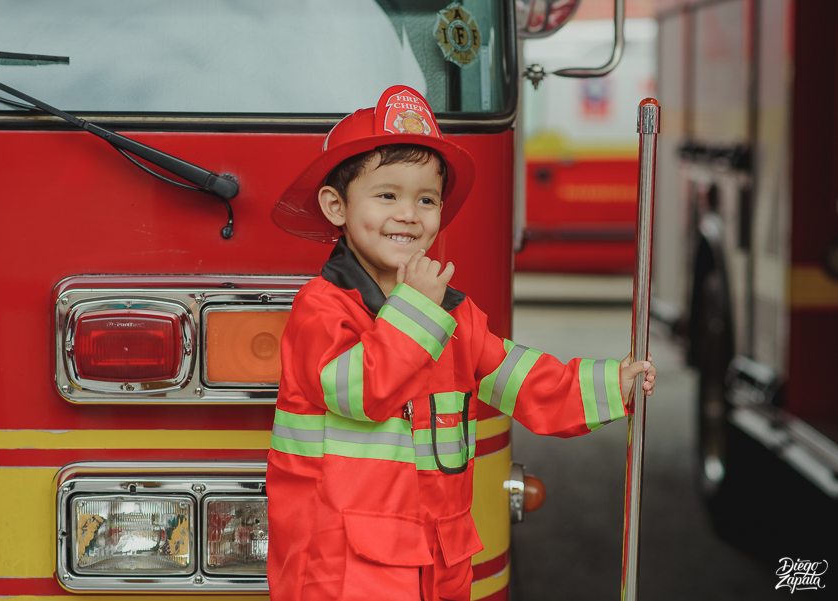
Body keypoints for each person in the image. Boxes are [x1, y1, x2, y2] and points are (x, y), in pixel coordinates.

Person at [266, 85, 656, 601]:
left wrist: (613, 384)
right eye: (387, 195)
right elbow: (362, 393)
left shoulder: (451, 314)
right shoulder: (323, 309)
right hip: (342, 569)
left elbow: (527, 382)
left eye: (426, 199)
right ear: (336, 206)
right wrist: (420, 309)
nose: (409, 213)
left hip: (437, 560)